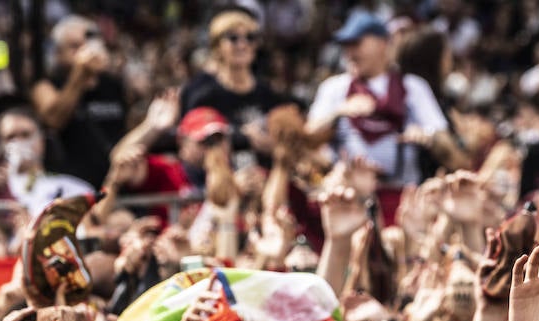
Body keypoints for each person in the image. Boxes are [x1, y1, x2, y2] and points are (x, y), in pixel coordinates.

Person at [307, 10, 453, 189]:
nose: (349, 53)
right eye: (346, 46)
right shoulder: (334, 88)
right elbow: (307, 136)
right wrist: (339, 112)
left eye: (356, 44)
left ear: (382, 43)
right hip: (347, 194)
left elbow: (446, 141)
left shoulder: (412, 86)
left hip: (400, 192)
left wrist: (427, 135)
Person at [31, 16, 130, 187]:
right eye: (75, 46)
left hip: (113, 183)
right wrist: (80, 74)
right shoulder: (47, 85)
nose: (85, 51)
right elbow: (53, 120)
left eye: (89, 44)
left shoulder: (113, 85)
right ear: (58, 53)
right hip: (71, 187)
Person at [179, 7, 287, 156]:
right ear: (217, 47)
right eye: (233, 38)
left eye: (250, 38)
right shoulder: (204, 97)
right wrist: (242, 138)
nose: (242, 45)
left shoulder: (269, 94)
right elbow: (192, 145)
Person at [0, 108, 95, 215]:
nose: (19, 142)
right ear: (0, 145)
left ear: (41, 141)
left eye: (25, 135)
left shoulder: (73, 189)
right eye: (10, 137)